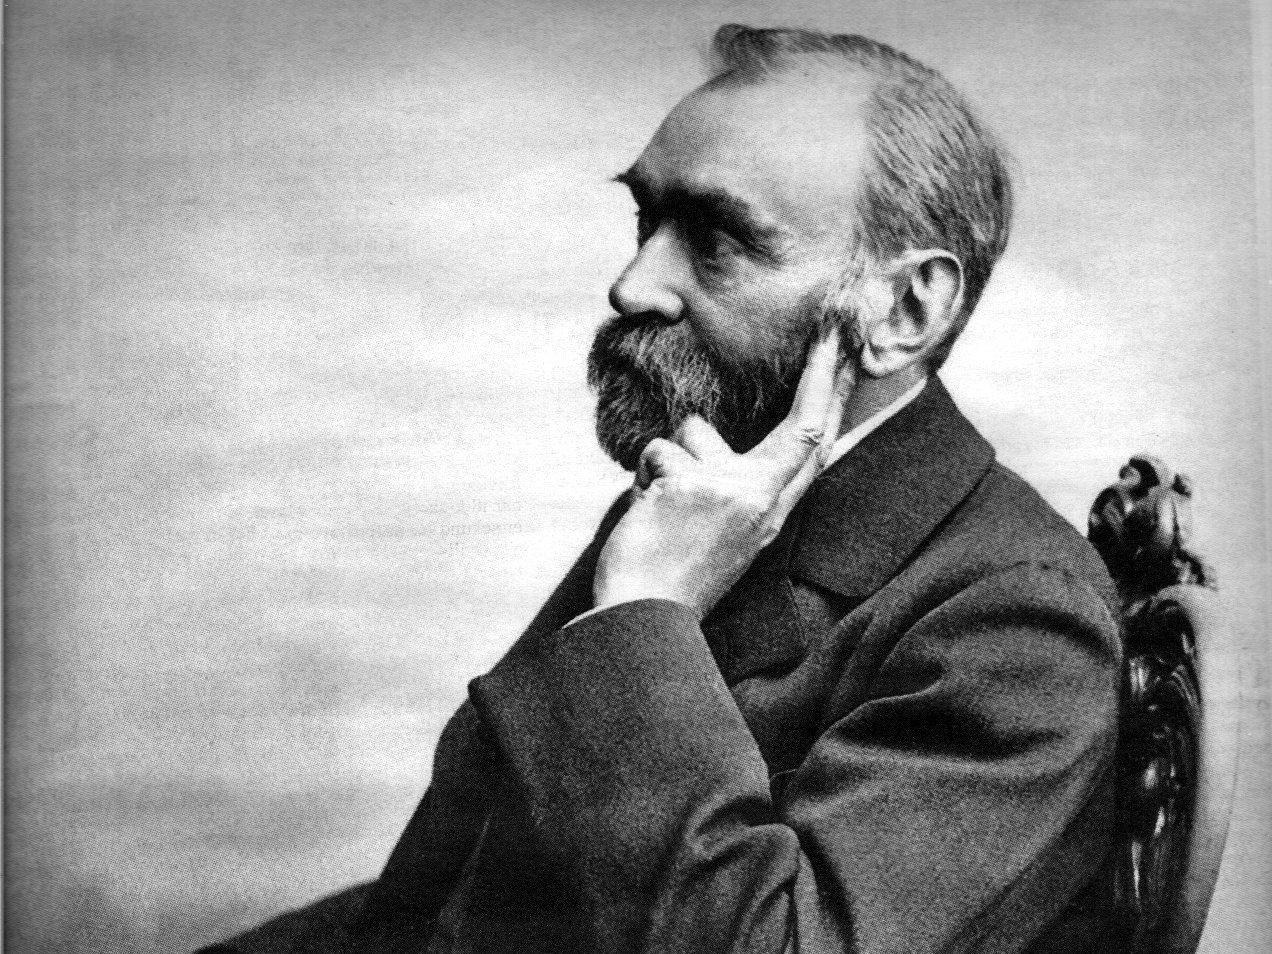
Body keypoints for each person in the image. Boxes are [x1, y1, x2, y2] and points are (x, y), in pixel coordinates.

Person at [205, 24, 1122, 954]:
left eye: (720, 240)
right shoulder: (706, 497)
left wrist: (644, 611)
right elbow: (459, 893)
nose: (632, 285)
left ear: (905, 310)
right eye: (648, 222)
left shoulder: (1014, 620)